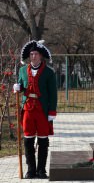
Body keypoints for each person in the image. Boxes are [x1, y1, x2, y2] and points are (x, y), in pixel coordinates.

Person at [13, 40, 57, 179]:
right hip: (27, 109)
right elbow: (21, 85)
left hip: (42, 110)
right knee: (28, 140)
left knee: (43, 140)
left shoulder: (49, 73)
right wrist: (17, 88)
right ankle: (31, 170)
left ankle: (41, 170)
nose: (33, 57)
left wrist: (52, 112)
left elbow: (53, 94)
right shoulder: (22, 71)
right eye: (31, 54)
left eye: (36, 54)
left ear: (41, 56)